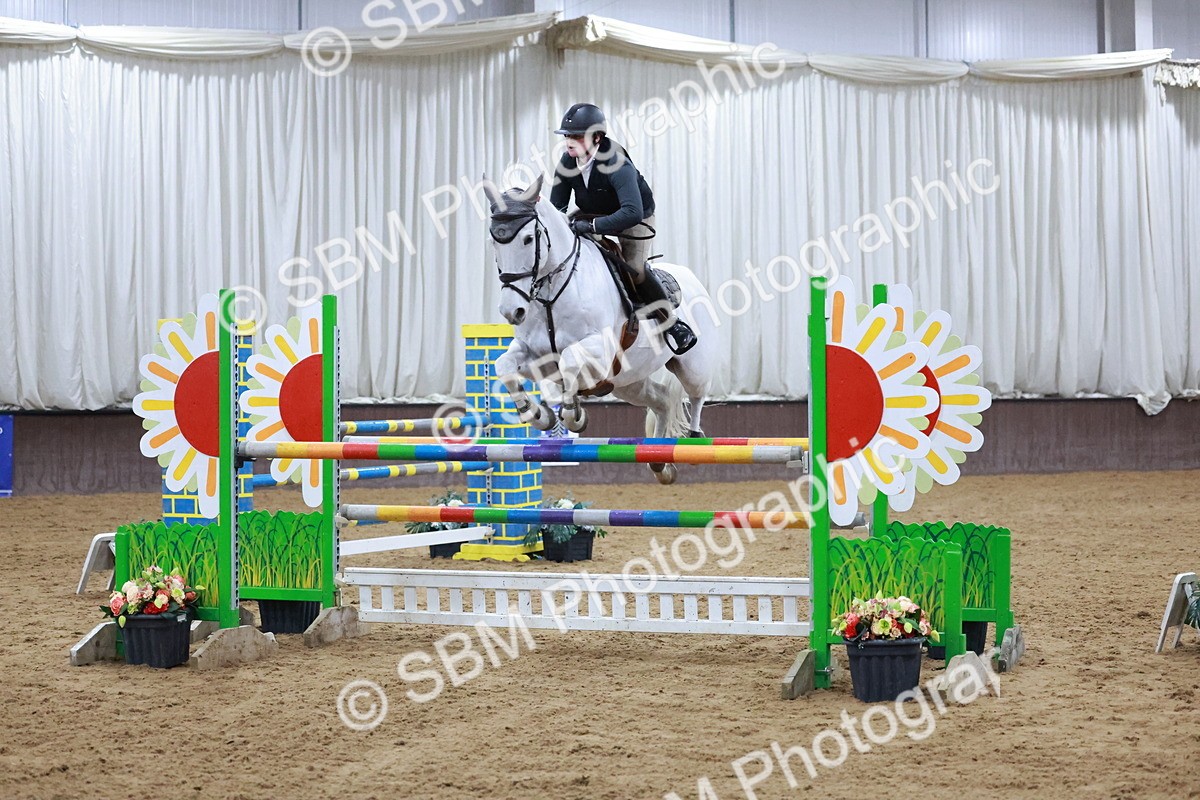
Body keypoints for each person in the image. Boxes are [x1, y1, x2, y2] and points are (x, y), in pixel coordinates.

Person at [549, 103, 697, 355]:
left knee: (634, 268)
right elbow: (557, 208)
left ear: (597, 138)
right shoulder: (567, 161)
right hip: (593, 212)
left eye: (577, 136)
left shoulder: (616, 162)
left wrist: (593, 226)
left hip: (634, 216)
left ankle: (672, 323)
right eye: (567, 136)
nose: (569, 141)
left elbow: (632, 212)